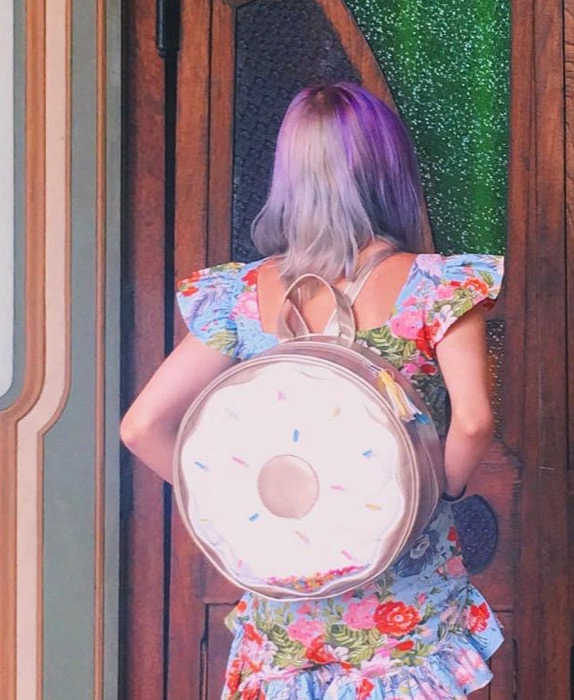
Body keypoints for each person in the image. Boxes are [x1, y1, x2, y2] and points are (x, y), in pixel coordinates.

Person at [121, 82, 504, 698]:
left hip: (287, 605)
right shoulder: (437, 287)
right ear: (389, 171)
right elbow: (474, 422)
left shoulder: (243, 295)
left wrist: (239, 502)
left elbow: (140, 428)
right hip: (402, 603)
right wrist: (438, 494)